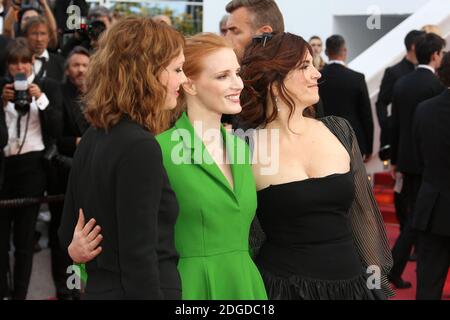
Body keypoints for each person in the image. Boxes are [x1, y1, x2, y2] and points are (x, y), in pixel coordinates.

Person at [65, 33, 268, 300]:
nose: (238, 84)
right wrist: (78, 259)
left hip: (245, 287)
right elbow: (113, 234)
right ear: (189, 84)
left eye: (237, 73)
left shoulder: (241, 148)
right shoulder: (158, 150)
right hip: (184, 289)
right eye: (222, 76)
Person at [239, 32, 393, 299]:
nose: (317, 74)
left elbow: (364, 214)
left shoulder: (338, 130)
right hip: (281, 289)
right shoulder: (245, 147)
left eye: (313, 63)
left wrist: (375, 284)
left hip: (352, 286)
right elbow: (246, 236)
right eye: (304, 66)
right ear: (274, 82)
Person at [58, 17, 186, 300]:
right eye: (177, 69)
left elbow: (68, 233)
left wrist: (76, 252)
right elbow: (139, 259)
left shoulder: (93, 135)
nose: (183, 79)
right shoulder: (140, 147)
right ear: (148, 73)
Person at [0, 37, 62, 300]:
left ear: (32, 63)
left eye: (25, 61)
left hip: (33, 170)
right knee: (1, 244)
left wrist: (42, 100)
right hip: (4, 170)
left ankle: (21, 295)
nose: (20, 67)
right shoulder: (1, 91)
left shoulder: (47, 87)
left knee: (25, 243)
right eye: (14, 63)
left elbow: (57, 129)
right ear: (7, 66)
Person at [389, 32, 446, 289]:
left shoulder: (400, 83)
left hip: (412, 164)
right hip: (429, 172)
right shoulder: (434, 88)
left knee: (413, 222)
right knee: (413, 223)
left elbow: (395, 123)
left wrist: (392, 158)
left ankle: (395, 264)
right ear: (435, 56)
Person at [412, 52, 450, 300]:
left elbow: (418, 159)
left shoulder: (424, 110)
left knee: (428, 287)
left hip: (433, 210)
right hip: (433, 208)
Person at [320, 35, 374, 160]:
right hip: (353, 139)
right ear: (344, 51)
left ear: (326, 52)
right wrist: (369, 147)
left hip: (324, 137)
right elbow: (366, 115)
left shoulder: (317, 77)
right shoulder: (357, 78)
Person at [376, 30, 425, 160]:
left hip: (424, 133)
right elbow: (381, 102)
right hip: (401, 136)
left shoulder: (427, 70)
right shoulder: (394, 72)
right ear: (414, 46)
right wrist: (386, 124)